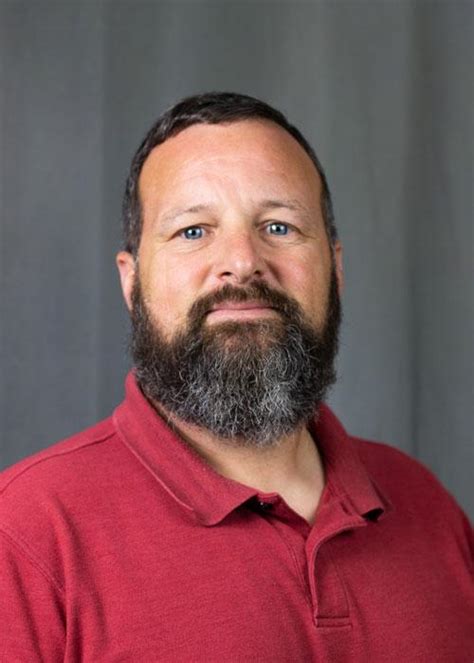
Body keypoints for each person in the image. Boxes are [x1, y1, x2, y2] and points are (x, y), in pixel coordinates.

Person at [1, 92, 472, 662]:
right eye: (193, 231)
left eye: (279, 226)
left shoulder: (427, 505)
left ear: (335, 269)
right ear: (132, 283)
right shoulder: (24, 535)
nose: (243, 261)